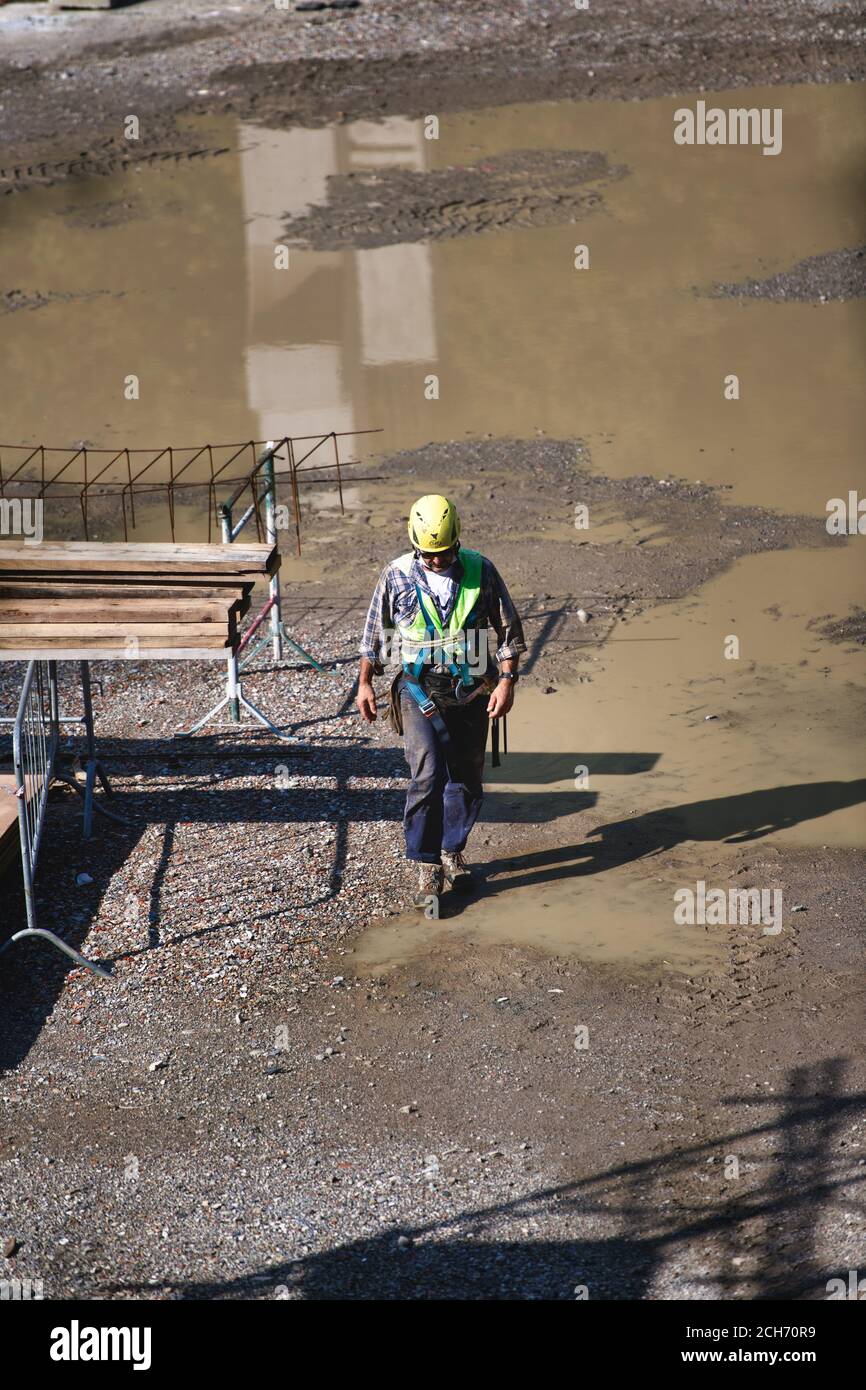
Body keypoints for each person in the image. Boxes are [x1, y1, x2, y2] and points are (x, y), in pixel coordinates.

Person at [357, 494, 526, 908]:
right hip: (419, 688)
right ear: (416, 546)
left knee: (466, 777)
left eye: (444, 553)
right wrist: (364, 683)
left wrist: (507, 683)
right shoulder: (395, 576)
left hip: (473, 688)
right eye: (428, 555)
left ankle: (453, 851)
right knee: (427, 773)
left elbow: (509, 632)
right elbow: (373, 637)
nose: (436, 561)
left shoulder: (481, 571)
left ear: (457, 541)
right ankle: (427, 864)